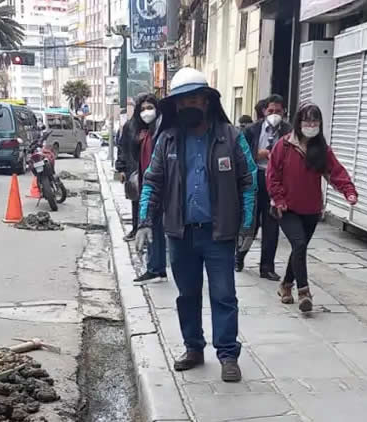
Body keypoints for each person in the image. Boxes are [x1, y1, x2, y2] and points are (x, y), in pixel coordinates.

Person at [136, 67, 257, 382]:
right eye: (181, 101)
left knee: (223, 295)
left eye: (193, 99)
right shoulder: (168, 140)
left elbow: (249, 182)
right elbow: (152, 182)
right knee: (187, 294)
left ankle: (228, 354)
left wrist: (246, 226)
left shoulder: (231, 138)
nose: (187, 106)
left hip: (219, 235)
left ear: (206, 101)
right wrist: (145, 222)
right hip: (181, 234)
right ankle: (193, 347)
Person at [267, 103, 357, 312]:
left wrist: (348, 191)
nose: (310, 125)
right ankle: (304, 292)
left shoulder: (322, 150)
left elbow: (336, 172)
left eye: (314, 121)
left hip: (311, 209)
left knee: (300, 248)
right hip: (286, 208)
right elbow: (272, 175)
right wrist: (278, 199)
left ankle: (285, 285)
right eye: (306, 120)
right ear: (298, 122)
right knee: (299, 245)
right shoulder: (284, 145)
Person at [236, 94, 291, 279]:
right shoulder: (252, 130)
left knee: (272, 224)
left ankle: (267, 267)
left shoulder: (289, 132)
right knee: (249, 221)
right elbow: (239, 153)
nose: (274, 114)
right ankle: (239, 256)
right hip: (255, 178)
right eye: (271, 111)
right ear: (264, 111)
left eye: (278, 111)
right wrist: (256, 154)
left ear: (283, 112)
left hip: (275, 181)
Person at [116, 93, 167, 283]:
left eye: (150, 108)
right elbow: (124, 148)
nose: (147, 112)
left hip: (159, 182)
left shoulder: (162, 128)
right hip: (142, 179)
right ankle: (156, 267)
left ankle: (156, 268)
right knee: (150, 223)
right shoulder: (133, 127)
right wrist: (122, 169)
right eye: (143, 109)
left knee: (156, 225)